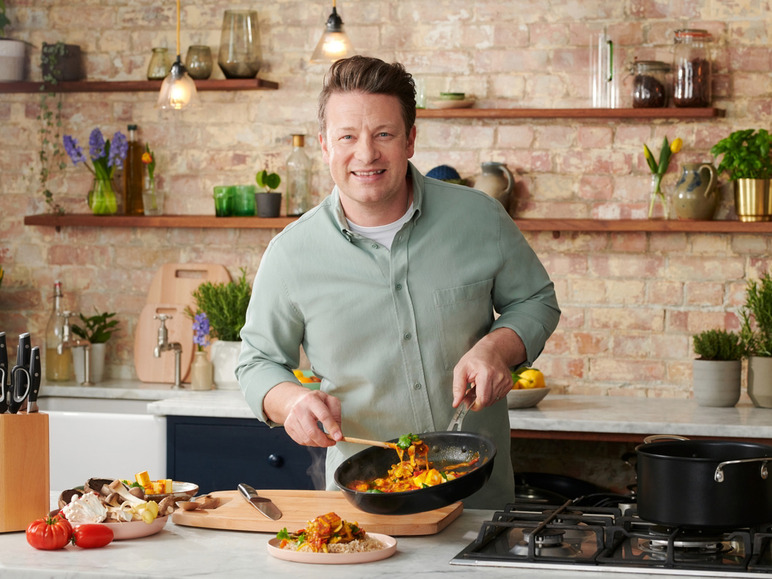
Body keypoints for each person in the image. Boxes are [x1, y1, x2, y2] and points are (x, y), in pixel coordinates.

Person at [236, 55, 560, 508]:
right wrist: (291, 402)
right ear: (325, 145)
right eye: (347, 136)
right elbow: (256, 362)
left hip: (481, 505)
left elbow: (536, 300)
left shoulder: (480, 218)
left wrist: (495, 348)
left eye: (383, 134)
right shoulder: (291, 254)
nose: (366, 154)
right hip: (365, 511)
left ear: (410, 139)